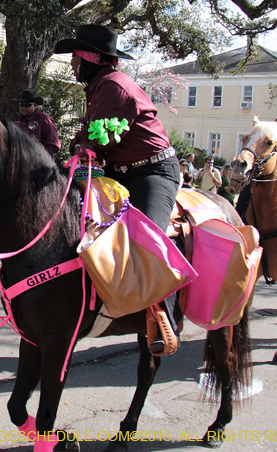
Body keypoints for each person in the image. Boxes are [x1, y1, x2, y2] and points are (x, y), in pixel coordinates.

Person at [55, 24, 181, 354]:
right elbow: (89, 137)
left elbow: (98, 140)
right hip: (119, 171)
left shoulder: (113, 86)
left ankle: (164, 318)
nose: (72, 64)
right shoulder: (100, 86)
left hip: (152, 171)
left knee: (149, 239)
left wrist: (79, 148)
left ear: (90, 58)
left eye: (75, 57)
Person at [12, 90, 61, 156]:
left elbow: (53, 145)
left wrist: (40, 157)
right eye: (21, 105)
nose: (23, 107)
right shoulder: (16, 120)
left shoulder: (44, 120)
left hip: (37, 159)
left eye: (27, 105)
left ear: (34, 105)